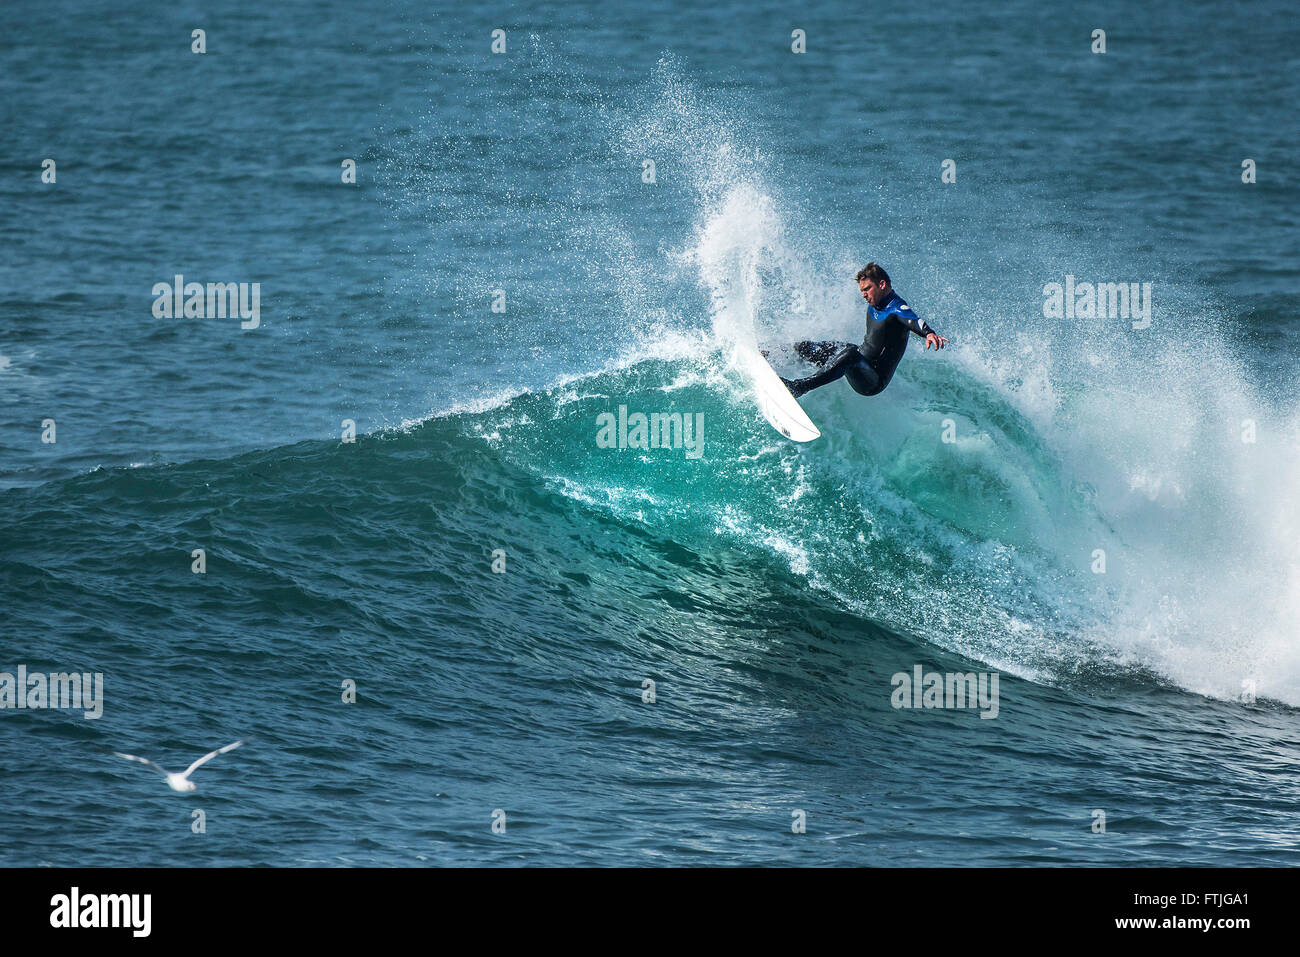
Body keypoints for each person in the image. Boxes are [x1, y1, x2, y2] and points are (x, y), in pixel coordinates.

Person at [777, 263, 948, 398]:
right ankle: (774, 354)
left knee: (850, 354)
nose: (864, 295)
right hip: (861, 361)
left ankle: (799, 387)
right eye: (862, 291)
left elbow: (911, 318)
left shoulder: (895, 307)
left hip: (872, 381)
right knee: (826, 347)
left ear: (882, 284)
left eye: (867, 289)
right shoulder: (876, 304)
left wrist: (928, 333)